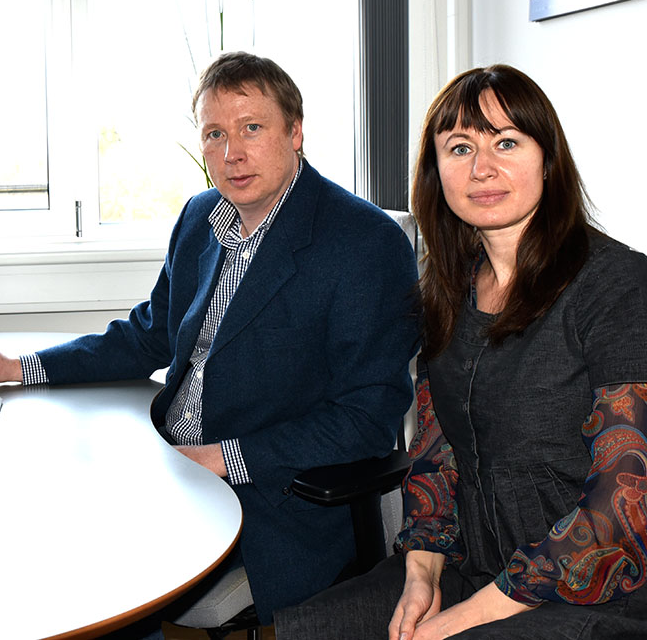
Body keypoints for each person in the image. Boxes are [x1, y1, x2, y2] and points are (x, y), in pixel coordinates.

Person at [0, 51, 420, 625]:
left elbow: (367, 418)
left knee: (101, 567)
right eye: (214, 134)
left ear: (295, 133)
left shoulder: (364, 243)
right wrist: (19, 367)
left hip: (270, 495)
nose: (231, 153)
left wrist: (225, 459)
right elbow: (150, 333)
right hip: (170, 452)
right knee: (32, 508)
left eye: (252, 129)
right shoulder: (202, 215)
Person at [273, 64, 647, 639]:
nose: (482, 168)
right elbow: (436, 449)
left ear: (548, 159)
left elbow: (624, 507)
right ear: (436, 171)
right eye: (459, 147)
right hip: (475, 563)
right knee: (316, 627)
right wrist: (422, 574)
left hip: (595, 589)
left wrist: (456, 623)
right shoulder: (447, 291)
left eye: (506, 142)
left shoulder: (619, 287)